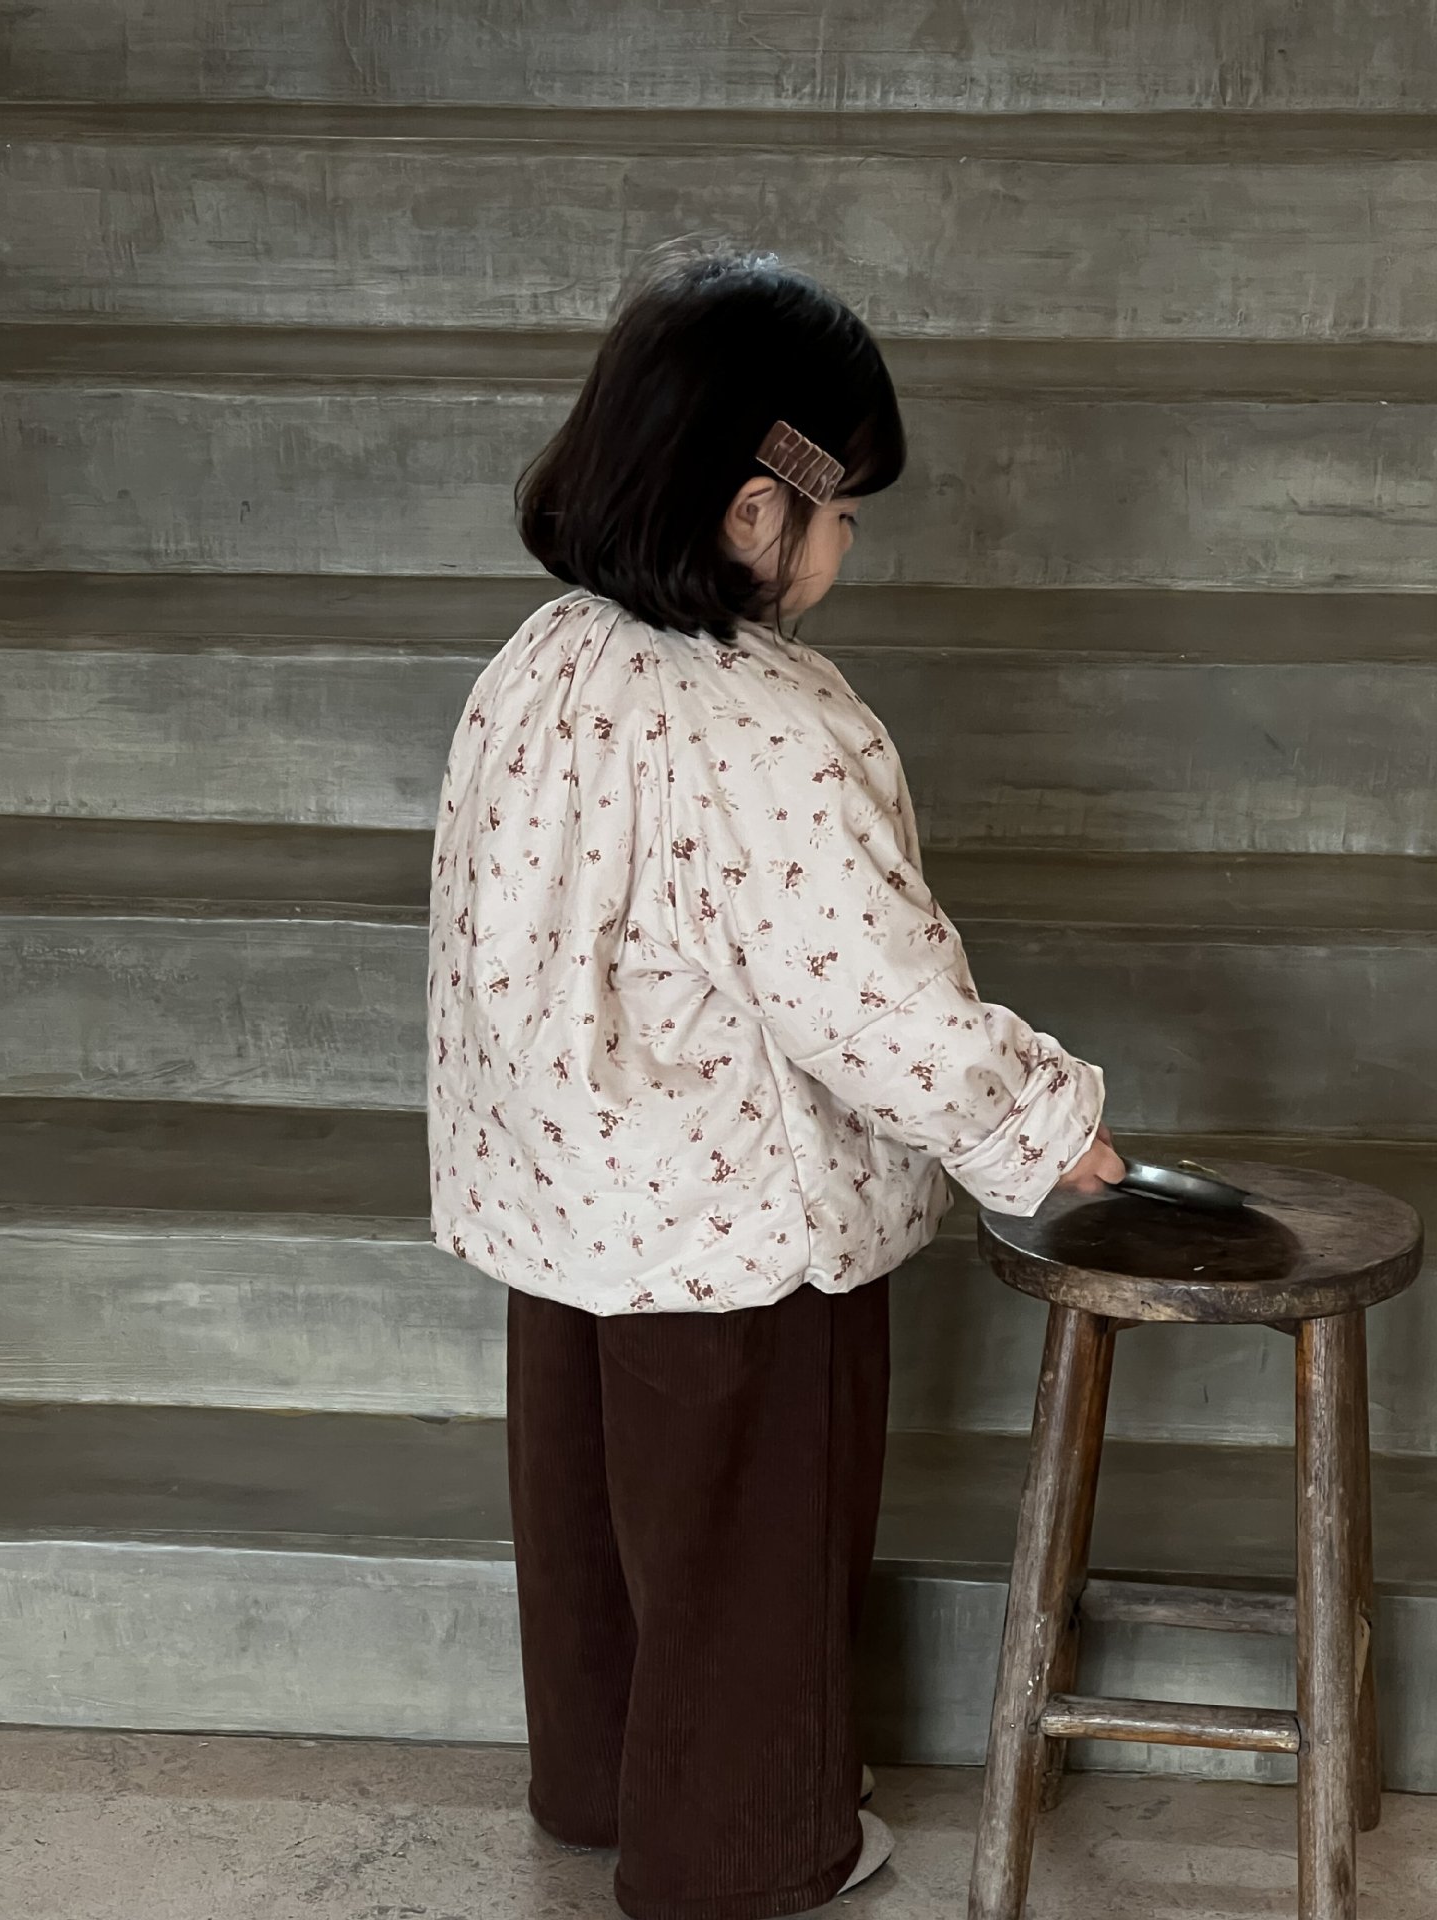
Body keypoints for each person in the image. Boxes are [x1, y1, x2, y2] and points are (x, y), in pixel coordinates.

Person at [428, 248, 1125, 1920]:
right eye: (843, 511)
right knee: (749, 1547)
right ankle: (744, 1852)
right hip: (742, 1231)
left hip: (568, 1208)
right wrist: (1045, 1130)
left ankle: (606, 1784)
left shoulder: (534, 664)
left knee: (595, 1528)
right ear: (756, 512)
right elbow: (873, 1000)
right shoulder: (765, 730)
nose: (849, 546)